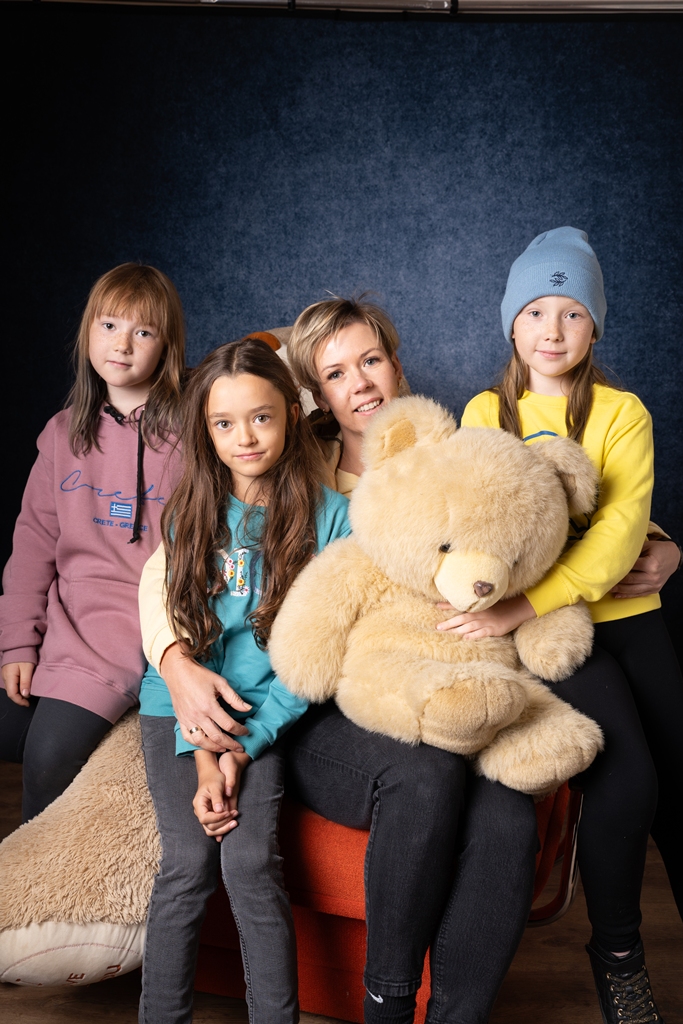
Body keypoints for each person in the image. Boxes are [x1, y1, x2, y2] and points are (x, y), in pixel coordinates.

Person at [140, 300, 539, 1024]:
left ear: (396, 363)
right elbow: (173, 573)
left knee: (508, 817)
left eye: (370, 360)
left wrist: (648, 547)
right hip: (317, 695)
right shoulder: (299, 470)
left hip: (425, 674)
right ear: (313, 397)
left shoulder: (446, 451)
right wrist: (173, 662)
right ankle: (387, 1000)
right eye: (334, 372)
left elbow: (540, 502)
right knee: (425, 775)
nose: (359, 383)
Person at [455, 226, 683, 1024]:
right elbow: (487, 527)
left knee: (679, 783)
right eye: (534, 312)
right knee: (628, 781)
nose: (551, 330)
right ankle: (618, 957)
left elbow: (621, 533)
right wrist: (523, 608)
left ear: (594, 327)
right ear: (510, 324)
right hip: (553, 636)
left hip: (630, 617)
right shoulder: (486, 412)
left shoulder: (622, 413)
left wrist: (654, 546)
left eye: (571, 313)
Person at [137, 337, 351, 1024]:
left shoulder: (333, 519)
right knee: (187, 865)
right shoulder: (190, 513)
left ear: (291, 413)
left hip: (268, 714)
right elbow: (186, 648)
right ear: (206, 431)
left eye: (261, 417)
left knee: (251, 864)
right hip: (178, 708)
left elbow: (317, 656)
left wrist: (245, 745)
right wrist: (206, 757)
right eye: (224, 423)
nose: (245, 438)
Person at [0, 263, 184, 822]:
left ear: (166, 346)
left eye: (143, 331)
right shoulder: (62, 433)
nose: (122, 344)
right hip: (62, 613)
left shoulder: (195, 430)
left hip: (129, 623)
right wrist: (18, 643)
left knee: (48, 756)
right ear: (87, 332)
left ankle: (31, 875)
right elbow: (33, 545)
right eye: (109, 326)